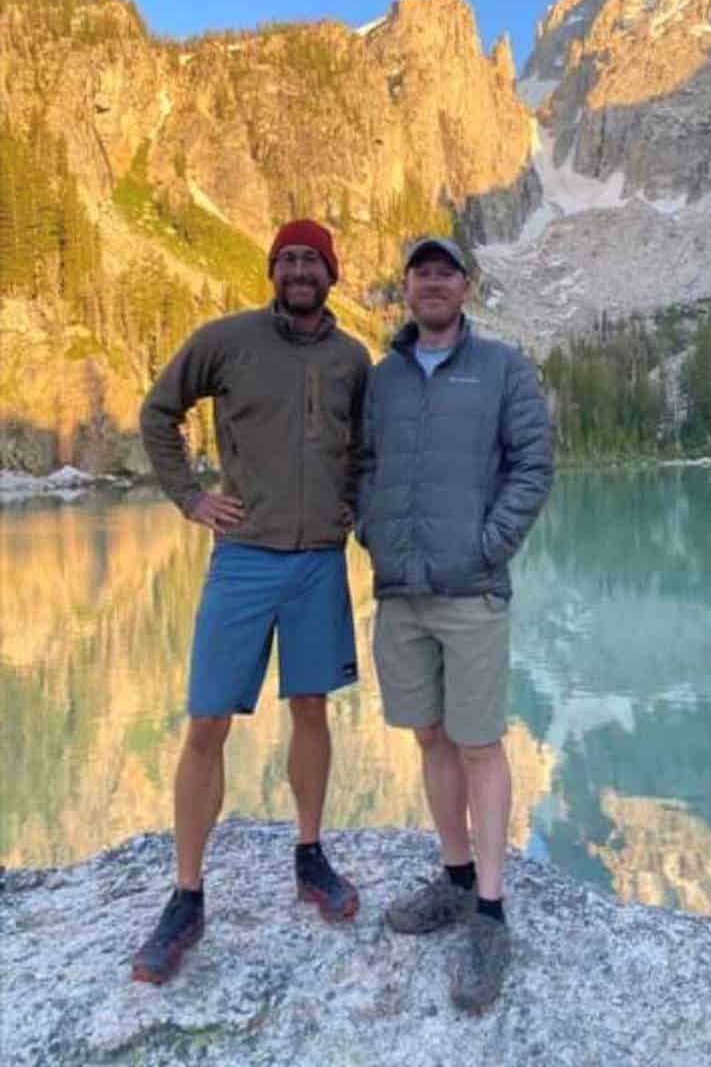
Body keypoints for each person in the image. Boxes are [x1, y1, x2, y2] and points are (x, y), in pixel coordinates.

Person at [133, 218, 371, 984]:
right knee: (207, 720)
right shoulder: (228, 340)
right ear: (273, 270)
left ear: (332, 275)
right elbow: (157, 414)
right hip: (242, 559)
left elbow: (366, 448)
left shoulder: (351, 358)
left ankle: (310, 857)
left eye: (313, 259)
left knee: (312, 707)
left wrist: (356, 501)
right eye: (288, 258)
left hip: (318, 565)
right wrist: (190, 497)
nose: (300, 269)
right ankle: (186, 896)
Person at [356, 235, 553, 1011]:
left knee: (478, 742)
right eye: (420, 273)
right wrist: (372, 527)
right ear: (405, 288)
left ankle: (492, 912)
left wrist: (488, 543)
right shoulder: (384, 380)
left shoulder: (501, 368)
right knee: (430, 736)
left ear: (466, 287)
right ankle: (455, 875)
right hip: (401, 592)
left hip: (471, 592)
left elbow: (533, 464)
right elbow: (363, 465)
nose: (432, 284)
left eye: (446, 273)